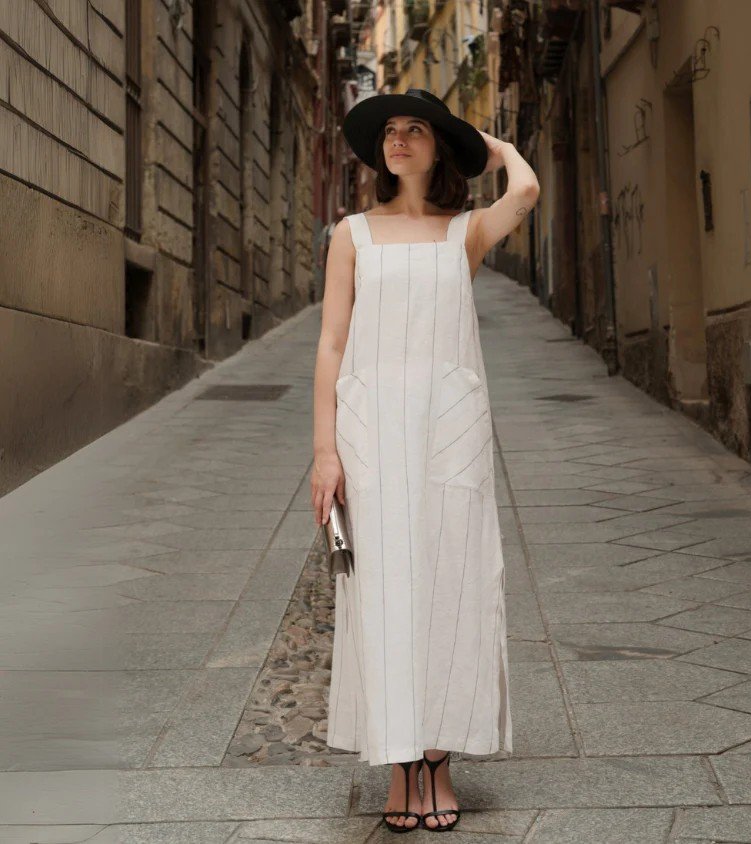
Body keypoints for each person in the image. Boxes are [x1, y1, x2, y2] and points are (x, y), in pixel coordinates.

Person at [310, 88, 540, 832]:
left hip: (451, 428)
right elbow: (332, 344)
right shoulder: (352, 234)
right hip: (371, 430)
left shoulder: (463, 233)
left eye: (415, 131)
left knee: (455, 585)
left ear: (438, 148)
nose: (399, 141)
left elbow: (528, 188)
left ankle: (439, 760)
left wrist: (485, 141)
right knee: (384, 592)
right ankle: (401, 761)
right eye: (391, 133)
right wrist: (324, 450)